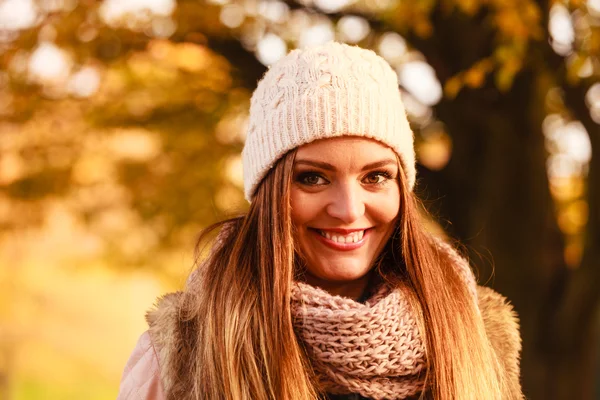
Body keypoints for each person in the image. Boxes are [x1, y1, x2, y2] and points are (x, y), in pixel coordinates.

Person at [116, 41, 523, 400]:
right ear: (269, 194)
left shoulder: (475, 331)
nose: (348, 209)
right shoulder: (185, 346)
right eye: (312, 178)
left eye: (375, 177)